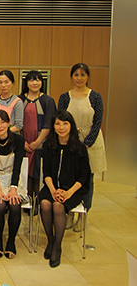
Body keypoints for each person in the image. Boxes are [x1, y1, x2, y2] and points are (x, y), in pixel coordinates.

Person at [39, 110, 91, 268]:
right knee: (46, 204)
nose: (61, 127)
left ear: (71, 125)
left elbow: (84, 177)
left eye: (65, 123)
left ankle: (57, 246)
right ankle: (50, 239)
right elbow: (46, 172)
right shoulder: (49, 145)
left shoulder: (79, 148)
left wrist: (68, 192)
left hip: (73, 189)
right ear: (53, 126)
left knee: (58, 206)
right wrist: (54, 190)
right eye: (57, 123)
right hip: (52, 186)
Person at [58, 63, 106, 230]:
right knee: (69, 176)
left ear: (88, 77)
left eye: (82, 75)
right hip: (69, 140)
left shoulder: (95, 97)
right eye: (76, 74)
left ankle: (84, 213)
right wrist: (71, 141)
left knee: (87, 179)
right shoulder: (65, 97)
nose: (79, 78)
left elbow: (97, 122)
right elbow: (61, 119)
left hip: (90, 143)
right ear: (72, 77)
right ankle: (70, 211)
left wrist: (86, 143)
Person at [0, 110, 25, 259]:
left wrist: (13, 188)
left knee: (15, 205)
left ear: (9, 123)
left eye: (2, 122)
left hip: (14, 178)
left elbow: (18, 166)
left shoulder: (19, 140)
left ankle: (11, 242)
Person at [18, 71, 56, 199]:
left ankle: (37, 202)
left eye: (38, 80)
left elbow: (48, 124)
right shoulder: (20, 100)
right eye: (31, 80)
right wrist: (23, 142)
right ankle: (24, 199)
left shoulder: (48, 100)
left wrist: (37, 142)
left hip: (41, 143)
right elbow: (16, 123)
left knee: (38, 173)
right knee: (23, 172)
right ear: (26, 83)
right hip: (23, 142)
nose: (35, 83)